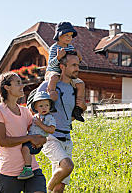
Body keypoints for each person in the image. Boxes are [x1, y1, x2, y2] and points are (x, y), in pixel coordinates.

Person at [37, 51, 87, 193]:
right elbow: (32, 108)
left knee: (60, 187)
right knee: (67, 166)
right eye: (73, 65)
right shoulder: (48, 85)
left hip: (67, 138)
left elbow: (70, 116)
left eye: (78, 65)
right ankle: (44, 190)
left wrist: (82, 109)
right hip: (50, 137)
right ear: (62, 67)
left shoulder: (74, 88)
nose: (77, 68)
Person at [0, 71, 47, 193]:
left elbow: (38, 134)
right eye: (18, 83)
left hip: (31, 170)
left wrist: (42, 139)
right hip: (9, 173)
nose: (22, 86)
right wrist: (29, 138)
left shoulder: (25, 111)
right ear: (7, 87)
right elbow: (3, 141)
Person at [45, 21, 85, 122]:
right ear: (59, 35)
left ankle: (77, 107)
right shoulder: (54, 48)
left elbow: (73, 61)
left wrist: (79, 58)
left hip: (66, 74)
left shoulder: (71, 47)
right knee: (54, 78)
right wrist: (58, 57)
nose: (69, 38)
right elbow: (51, 64)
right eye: (66, 35)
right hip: (54, 72)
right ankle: (51, 99)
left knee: (80, 84)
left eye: (71, 36)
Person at [18, 91, 56, 180]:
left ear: (50, 106)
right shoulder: (35, 116)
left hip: (37, 142)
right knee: (23, 148)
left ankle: (28, 169)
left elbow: (52, 130)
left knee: (25, 149)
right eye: (41, 106)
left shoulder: (49, 118)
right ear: (35, 107)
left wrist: (40, 124)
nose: (44, 108)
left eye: (46, 105)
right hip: (31, 139)